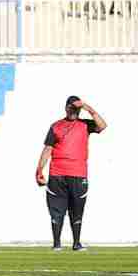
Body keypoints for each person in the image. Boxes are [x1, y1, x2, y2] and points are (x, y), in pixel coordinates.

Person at [35, 96, 107, 251]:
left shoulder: (85, 125)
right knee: (56, 210)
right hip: (57, 174)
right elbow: (48, 149)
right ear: (66, 108)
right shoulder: (56, 126)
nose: (75, 111)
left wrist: (88, 108)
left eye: (77, 109)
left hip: (78, 174)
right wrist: (39, 170)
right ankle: (56, 244)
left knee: (77, 210)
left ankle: (76, 243)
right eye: (72, 108)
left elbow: (102, 126)